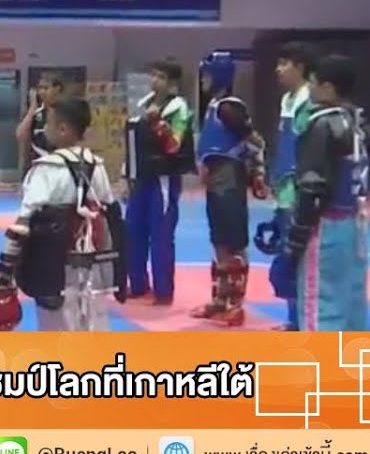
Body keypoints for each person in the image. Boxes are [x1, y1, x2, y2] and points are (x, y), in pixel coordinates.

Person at [0, 98, 127, 331]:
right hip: (94, 268)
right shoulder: (98, 167)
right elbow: (111, 217)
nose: (44, 129)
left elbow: (20, 228)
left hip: (52, 268)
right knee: (93, 327)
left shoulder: (46, 169)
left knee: (56, 331)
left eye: (49, 124)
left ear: (63, 129)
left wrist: (3, 277)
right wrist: (119, 272)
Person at [285, 54, 370, 332]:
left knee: (319, 305)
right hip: (355, 225)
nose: (310, 89)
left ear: (327, 87)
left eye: (313, 83)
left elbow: (313, 186)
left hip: (326, 227)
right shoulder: (358, 122)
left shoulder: (322, 125)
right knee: (350, 302)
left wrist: (296, 239)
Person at [190, 51, 269, 327]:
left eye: (207, 75)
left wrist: (258, 174)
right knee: (219, 240)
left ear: (220, 76)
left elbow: (255, 142)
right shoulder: (213, 106)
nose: (203, 80)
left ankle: (236, 305)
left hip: (230, 178)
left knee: (234, 241)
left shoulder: (229, 108)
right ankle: (220, 299)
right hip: (215, 180)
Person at [254, 42, 315, 330]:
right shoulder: (287, 101)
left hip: (301, 190)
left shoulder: (310, 101)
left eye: (284, 64)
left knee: (299, 257)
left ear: (300, 67)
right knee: (286, 255)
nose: (278, 70)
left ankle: (305, 319)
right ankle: (293, 319)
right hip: (284, 189)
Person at [124, 60, 194, 305]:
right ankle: (138, 283)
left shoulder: (178, 108)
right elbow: (133, 143)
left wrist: (157, 124)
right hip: (140, 177)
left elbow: (174, 145)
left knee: (160, 234)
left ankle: (163, 291)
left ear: (172, 83)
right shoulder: (143, 105)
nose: (155, 81)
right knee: (133, 231)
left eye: (161, 77)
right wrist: (127, 173)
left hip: (162, 179)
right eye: (153, 75)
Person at [15, 73, 65, 175]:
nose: (42, 92)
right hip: (37, 166)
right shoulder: (35, 113)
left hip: (60, 166)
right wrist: (32, 109)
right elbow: (20, 135)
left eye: (46, 88)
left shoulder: (66, 111)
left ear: (57, 89)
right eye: (40, 88)